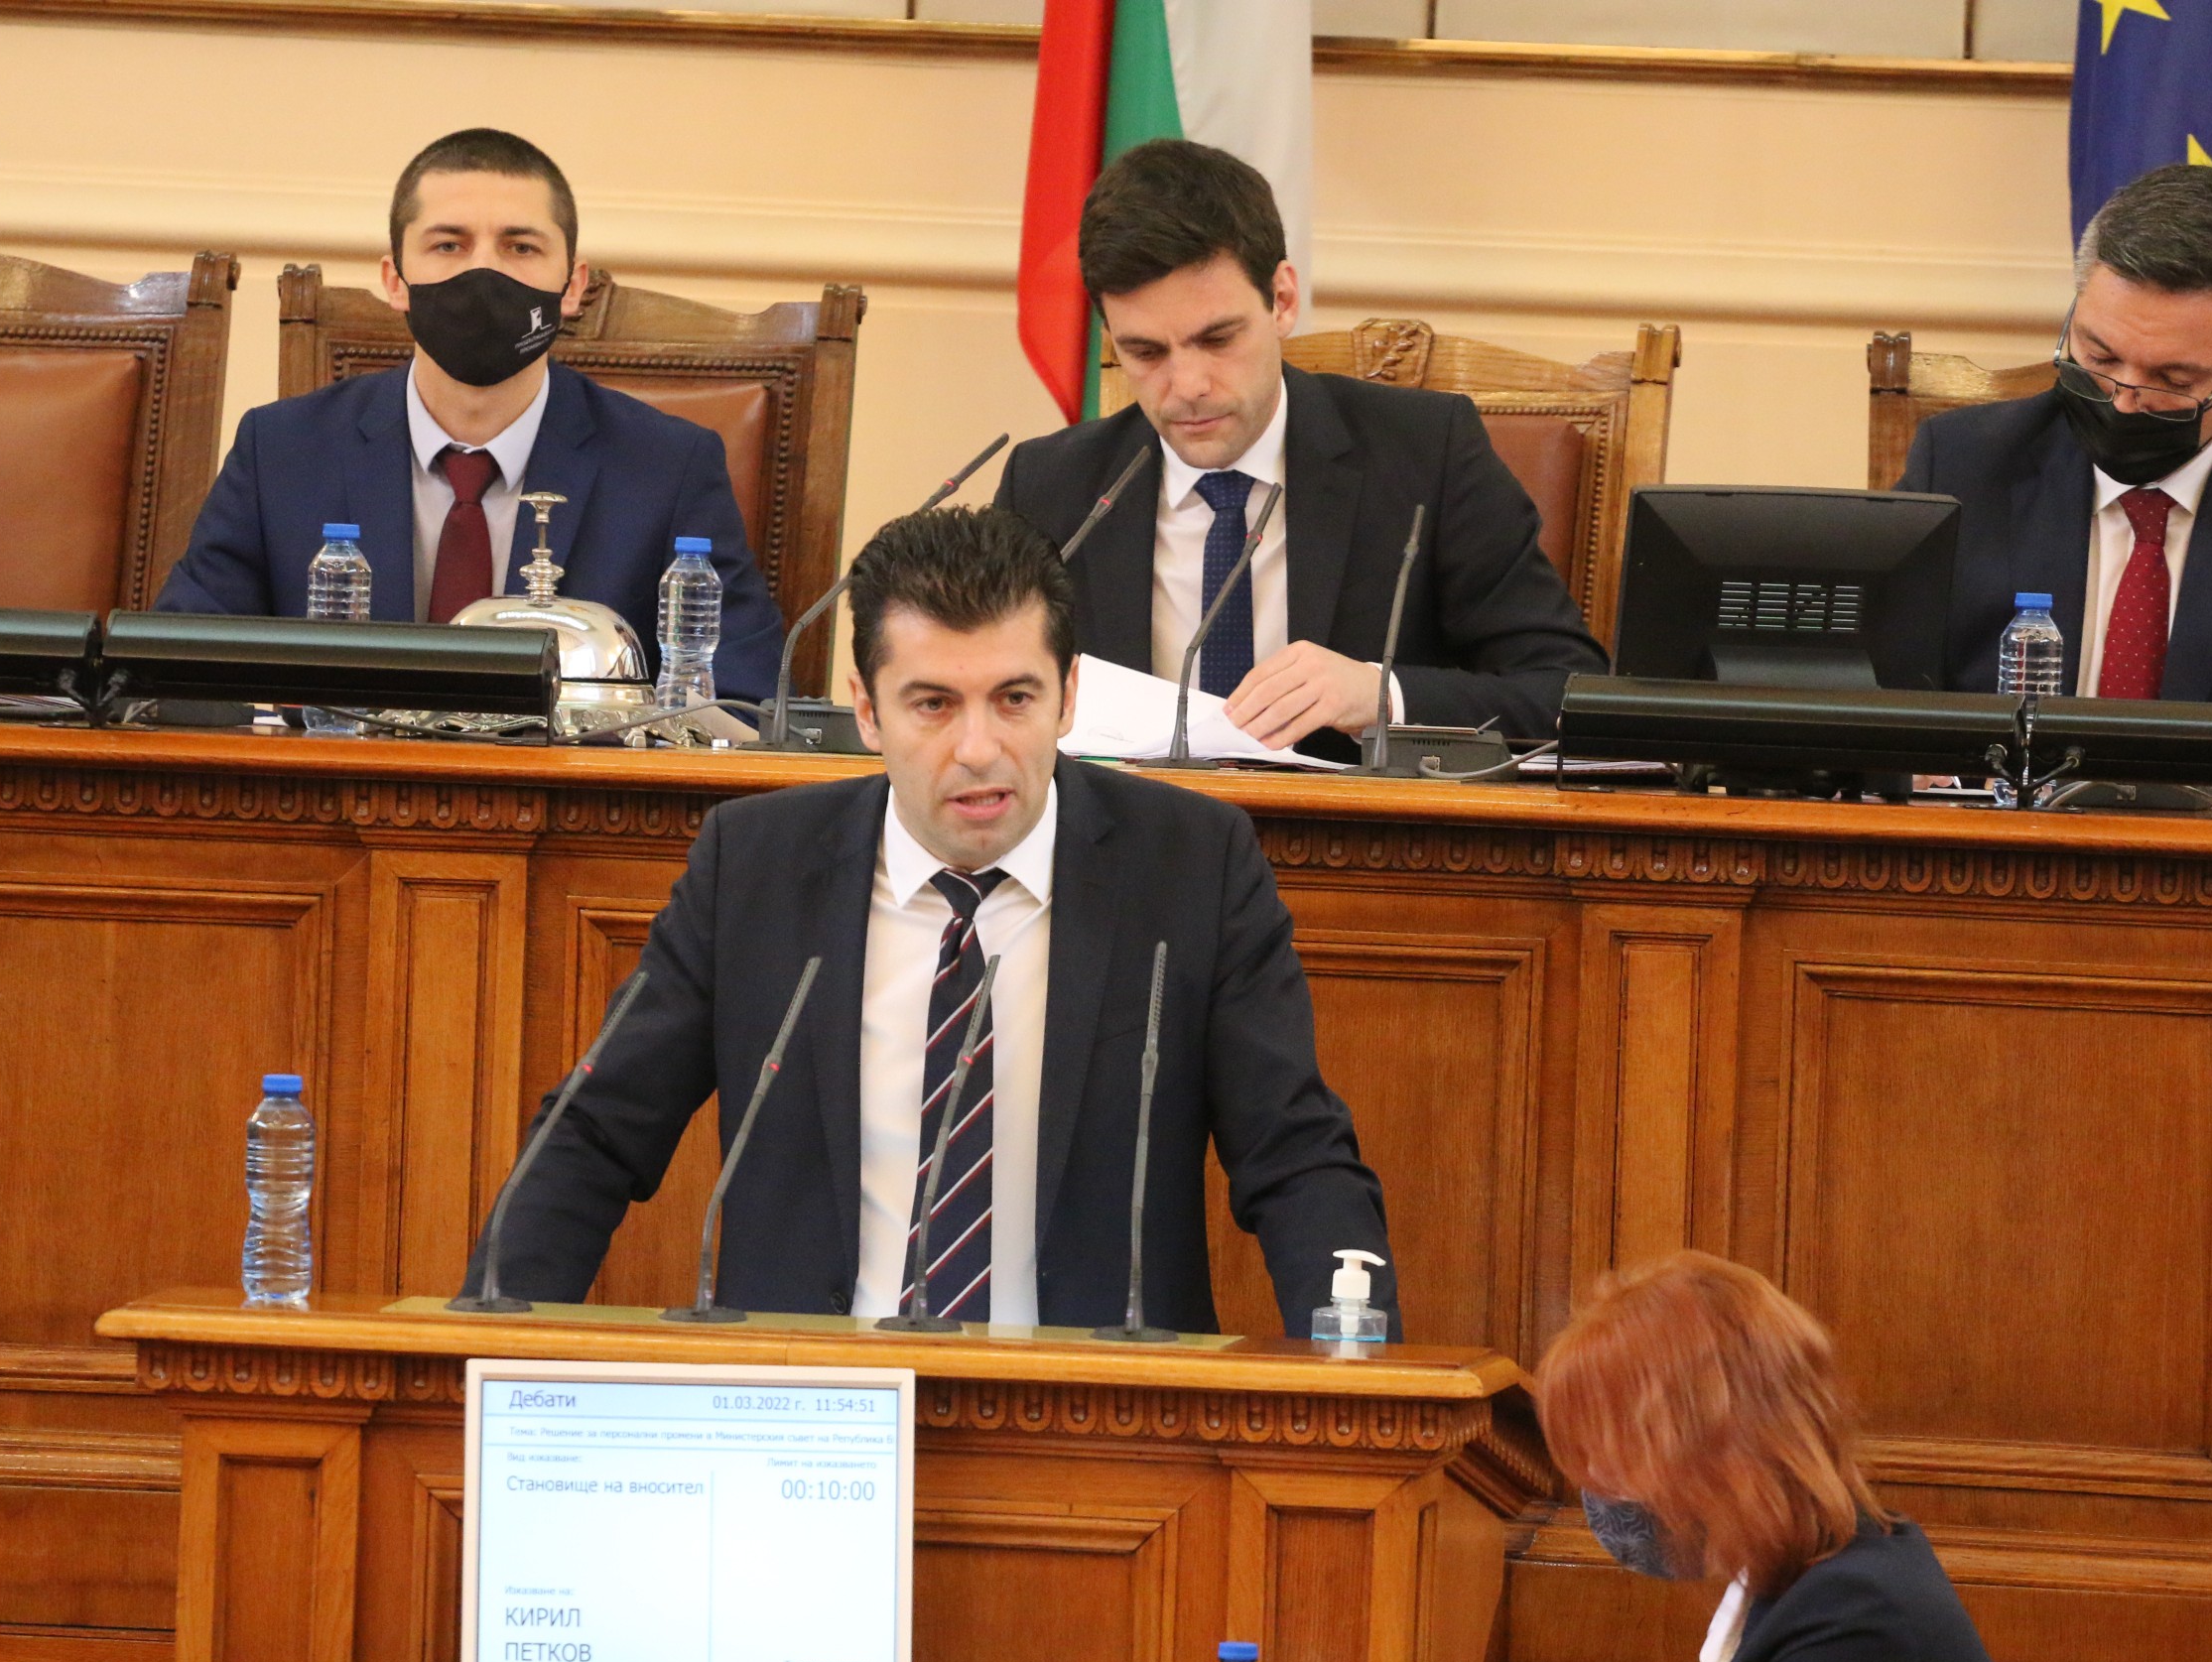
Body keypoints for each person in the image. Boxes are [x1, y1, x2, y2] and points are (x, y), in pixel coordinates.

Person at [458, 505, 1394, 1334]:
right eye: (934, 705)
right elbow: (595, 1133)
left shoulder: (1189, 865)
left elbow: (1295, 1156)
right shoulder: (757, 867)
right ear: (867, 711)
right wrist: (485, 1347)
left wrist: (1356, 1368)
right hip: (811, 1412)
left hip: (1095, 1419)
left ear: (1069, 696)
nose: (978, 748)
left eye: (1015, 699)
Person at [990, 139, 1606, 753]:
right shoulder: (1053, 486)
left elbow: (1570, 693)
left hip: (1355, 816)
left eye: (1217, 339)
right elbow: (988, 692)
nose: (1188, 387)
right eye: (1146, 352)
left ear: (1282, 300)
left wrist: (1381, 695)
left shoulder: (1426, 454)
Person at [153, 128, 784, 700]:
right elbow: (178, 675)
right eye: (449, 244)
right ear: (395, 280)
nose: (483, 272)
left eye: (520, 247)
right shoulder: (280, 450)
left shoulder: (669, 466)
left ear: (572, 286)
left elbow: (742, 700)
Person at [1539, 1252, 2049, 1662]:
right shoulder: (1792, 1586)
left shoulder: (1857, 1617)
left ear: (1715, 1445)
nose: (1600, 1485)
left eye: (1614, 1455)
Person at [1903, 163, 2212, 704]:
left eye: (2174, 379)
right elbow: (1887, 689)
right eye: (2099, 357)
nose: (2123, 400)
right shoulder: (1962, 466)